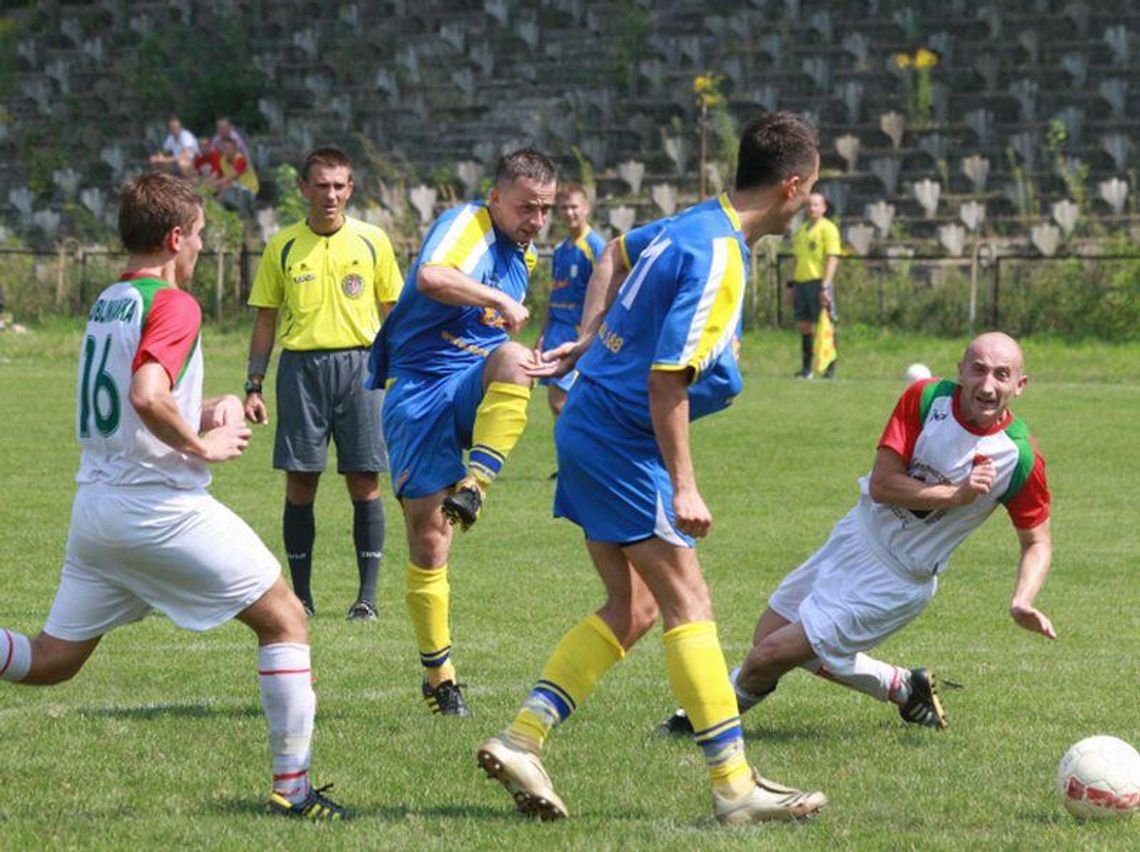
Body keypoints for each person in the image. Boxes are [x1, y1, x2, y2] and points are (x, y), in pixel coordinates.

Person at [475, 112, 827, 826]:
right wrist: (686, 484)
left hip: (588, 423)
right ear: (792, 185)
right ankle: (734, 785)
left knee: (632, 607)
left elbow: (613, 256)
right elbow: (668, 380)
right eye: (811, 190)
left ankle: (522, 739)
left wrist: (585, 339)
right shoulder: (722, 253)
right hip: (619, 436)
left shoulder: (695, 221)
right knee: (687, 600)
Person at [0, 172, 344, 820]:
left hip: (97, 508)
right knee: (286, 619)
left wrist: (204, 409)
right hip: (156, 508)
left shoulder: (109, 300)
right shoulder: (176, 304)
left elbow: (142, 394)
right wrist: (199, 445)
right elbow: (146, 396)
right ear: (176, 236)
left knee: (50, 661)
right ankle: (293, 792)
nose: (201, 251)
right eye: (201, 238)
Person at [657, 332, 1053, 737]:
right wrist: (958, 494)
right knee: (769, 636)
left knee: (767, 658)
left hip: (897, 579)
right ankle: (902, 686)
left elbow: (1036, 541)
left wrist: (1023, 599)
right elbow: (883, 485)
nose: (987, 386)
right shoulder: (926, 398)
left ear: (1019, 386)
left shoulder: (1018, 458)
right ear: (961, 371)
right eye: (979, 370)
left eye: (1002, 375)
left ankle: (703, 724)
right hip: (857, 535)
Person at [365, 149, 557, 716]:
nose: (537, 220)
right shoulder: (466, 224)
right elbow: (431, 276)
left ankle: (477, 483)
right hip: (420, 389)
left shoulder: (526, 253)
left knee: (516, 360)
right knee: (430, 540)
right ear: (496, 198)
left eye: (545, 209)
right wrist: (496, 297)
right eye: (527, 207)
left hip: (469, 379)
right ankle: (439, 678)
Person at [245, 147, 402, 622]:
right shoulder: (283, 246)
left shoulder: (373, 241)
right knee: (301, 482)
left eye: (340, 186)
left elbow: (392, 313)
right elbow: (266, 319)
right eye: (322, 185)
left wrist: (400, 373)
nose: (331, 194)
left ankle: (367, 599)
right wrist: (254, 382)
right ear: (304, 189)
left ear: (350, 189)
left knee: (364, 479)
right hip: (301, 371)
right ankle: (303, 597)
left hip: (362, 370)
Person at [538, 184, 605, 421]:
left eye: (574, 207)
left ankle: (586, 446)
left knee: (562, 402)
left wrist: (592, 335)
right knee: (557, 402)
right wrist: (542, 334)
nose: (569, 213)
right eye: (564, 208)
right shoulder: (560, 249)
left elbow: (608, 292)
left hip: (577, 332)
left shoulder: (596, 247)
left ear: (586, 208)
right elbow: (554, 294)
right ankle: (579, 452)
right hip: (556, 330)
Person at [787, 192, 841, 379]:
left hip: (819, 283)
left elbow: (832, 258)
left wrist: (825, 285)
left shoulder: (828, 229)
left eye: (816, 205)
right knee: (804, 325)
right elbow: (795, 260)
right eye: (809, 205)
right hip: (802, 283)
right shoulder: (801, 231)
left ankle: (830, 369)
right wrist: (791, 284)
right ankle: (806, 368)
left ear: (824, 208)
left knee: (827, 324)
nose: (812, 208)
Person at [215, 137, 260, 215]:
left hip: (249, 190)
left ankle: (243, 216)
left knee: (225, 189)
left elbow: (230, 178)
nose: (227, 151)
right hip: (236, 188)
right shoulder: (222, 160)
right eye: (225, 148)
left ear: (235, 149)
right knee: (222, 189)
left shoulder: (241, 159)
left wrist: (210, 186)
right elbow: (218, 176)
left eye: (230, 148)